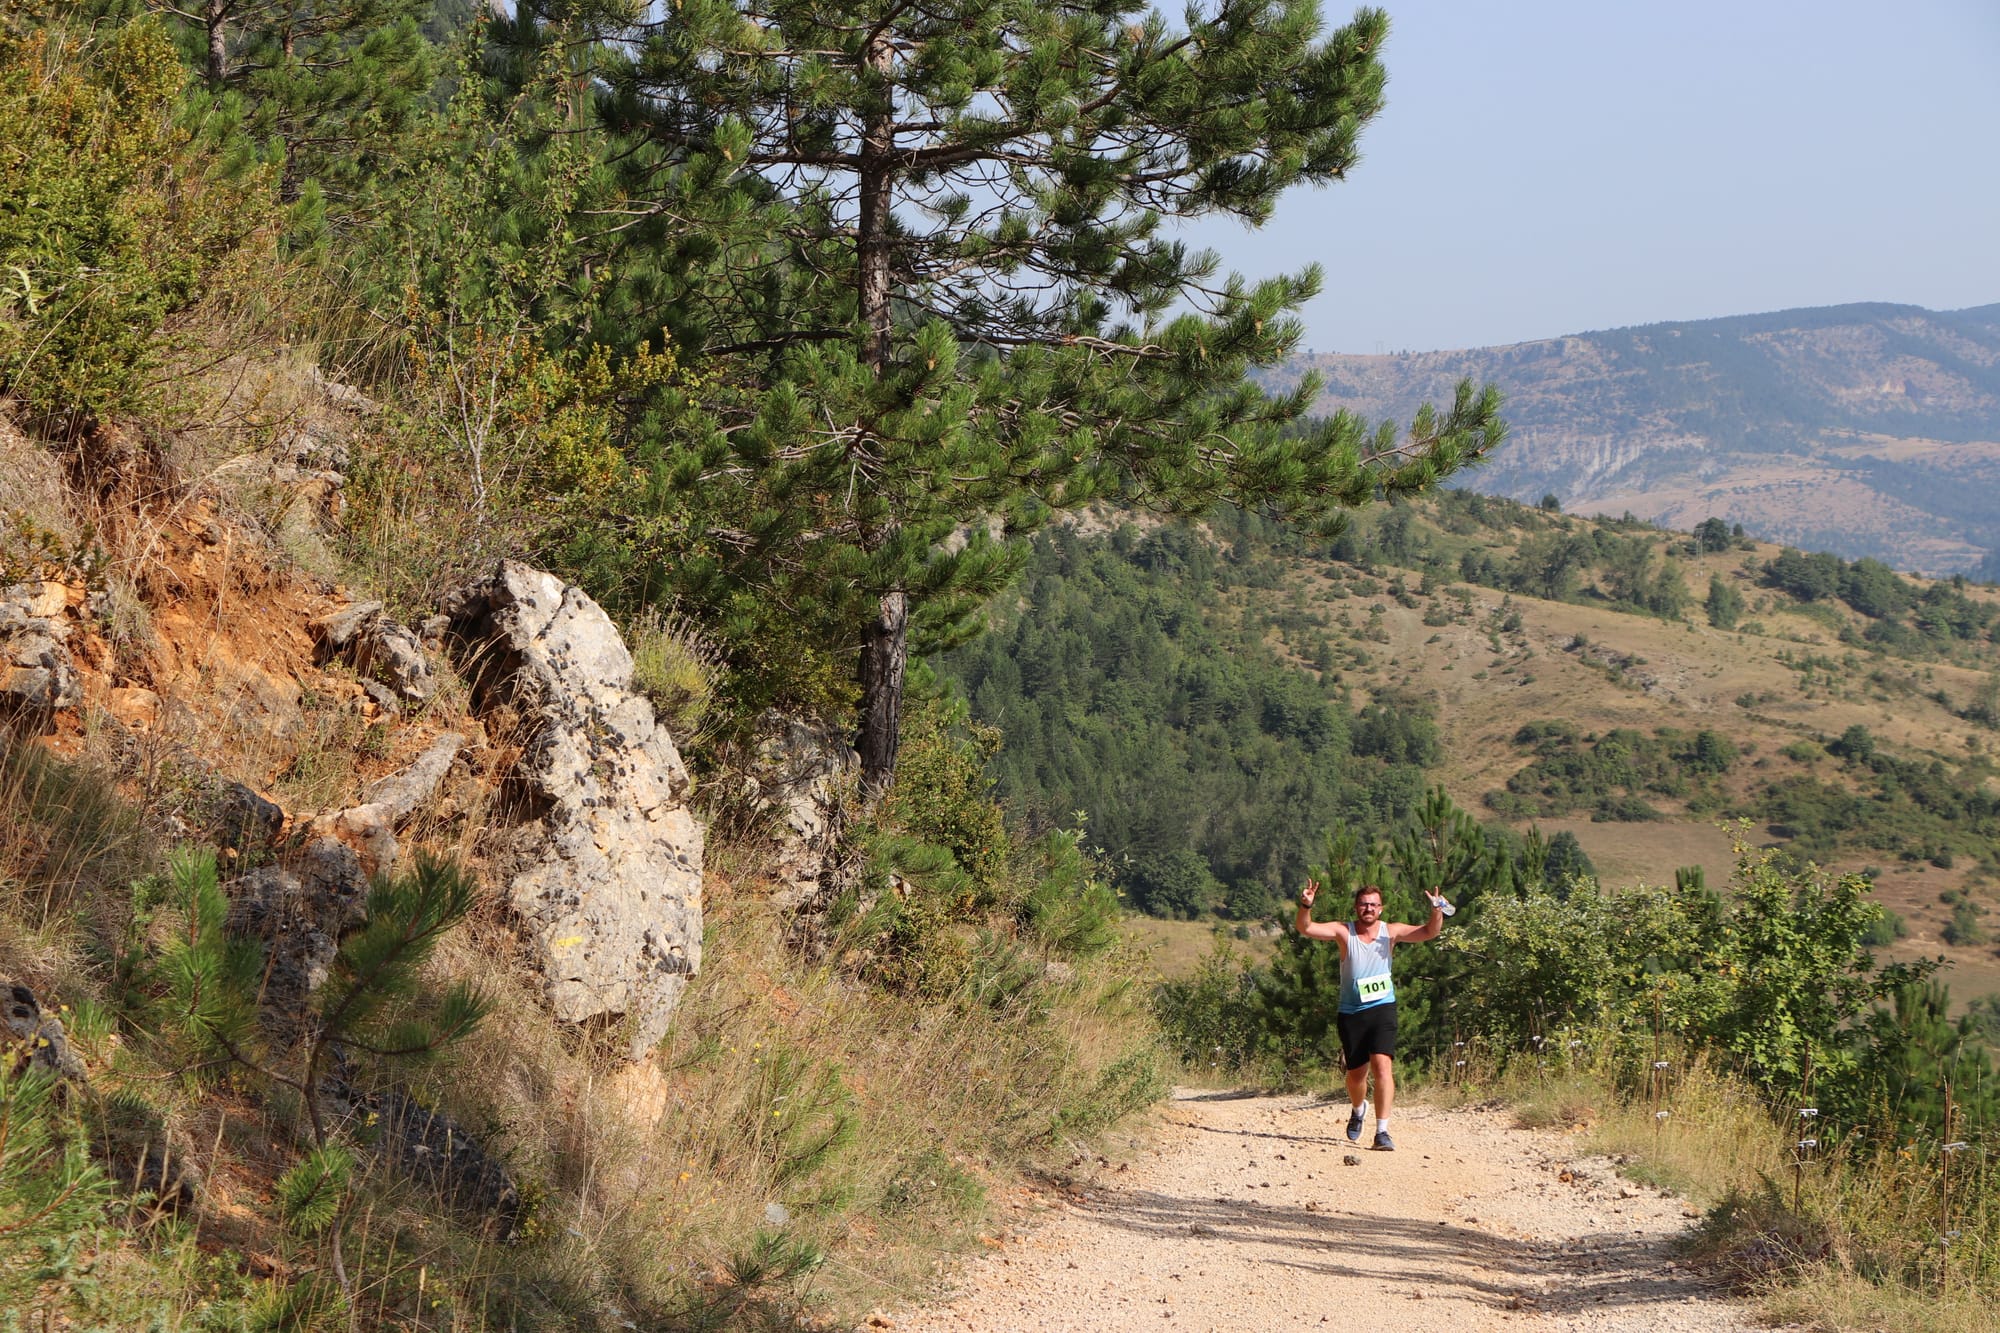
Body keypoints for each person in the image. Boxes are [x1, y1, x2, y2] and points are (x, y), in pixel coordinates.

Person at [1293, 878, 1446, 1151]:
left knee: (1382, 1066)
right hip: (1351, 1012)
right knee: (1356, 1076)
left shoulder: (1391, 932)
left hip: (1383, 1007)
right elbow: (1306, 928)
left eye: (1374, 905)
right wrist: (1306, 905)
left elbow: (1429, 932)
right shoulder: (1344, 931)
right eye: (1364, 904)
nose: (1369, 909)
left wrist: (1437, 911)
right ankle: (1358, 1108)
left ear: (1381, 909)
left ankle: (1382, 1131)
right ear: (1356, 907)